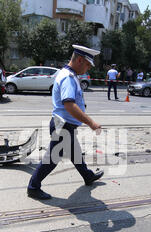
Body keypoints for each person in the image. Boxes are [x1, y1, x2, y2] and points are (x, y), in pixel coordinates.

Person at [27, 44, 104, 200]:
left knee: (75, 152)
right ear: (80, 60)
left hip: (64, 125)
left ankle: (87, 176)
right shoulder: (68, 77)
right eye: (88, 65)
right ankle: (33, 187)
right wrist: (91, 123)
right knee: (52, 159)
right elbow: (69, 105)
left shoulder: (69, 74)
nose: (88, 69)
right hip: (62, 126)